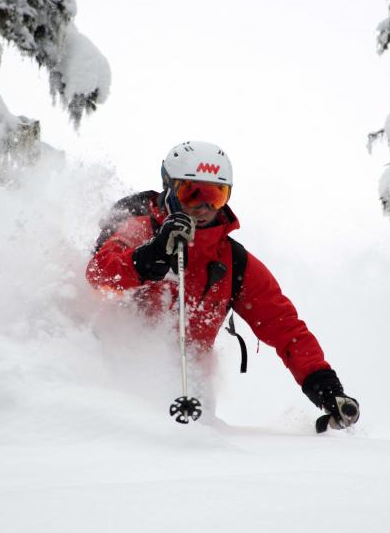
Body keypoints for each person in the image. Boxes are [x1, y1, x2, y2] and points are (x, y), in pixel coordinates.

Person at [86, 140, 359, 430]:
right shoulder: (139, 228)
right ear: (169, 189)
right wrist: (150, 257)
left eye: (216, 196)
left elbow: (284, 327)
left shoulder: (232, 261)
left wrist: (325, 387)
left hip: (190, 394)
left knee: (199, 445)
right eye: (193, 194)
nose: (204, 208)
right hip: (116, 383)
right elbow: (99, 274)